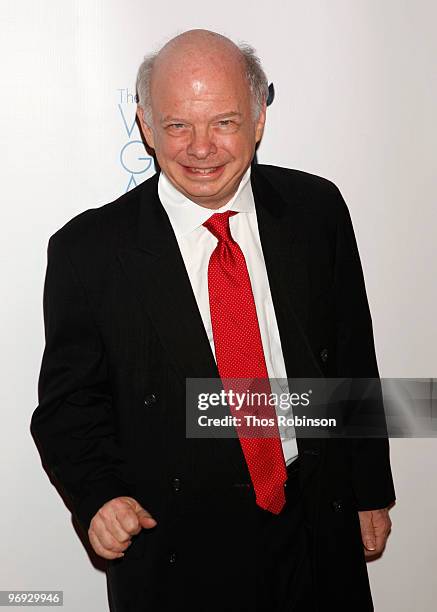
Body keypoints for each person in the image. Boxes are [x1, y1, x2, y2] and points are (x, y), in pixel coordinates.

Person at [30, 29, 395, 611]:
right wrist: (99, 497)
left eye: (224, 122)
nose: (201, 148)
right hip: (179, 546)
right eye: (177, 125)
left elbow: (352, 354)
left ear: (258, 119)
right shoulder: (89, 251)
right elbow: (68, 407)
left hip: (314, 520)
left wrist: (369, 489)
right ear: (146, 127)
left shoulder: (316, 210)